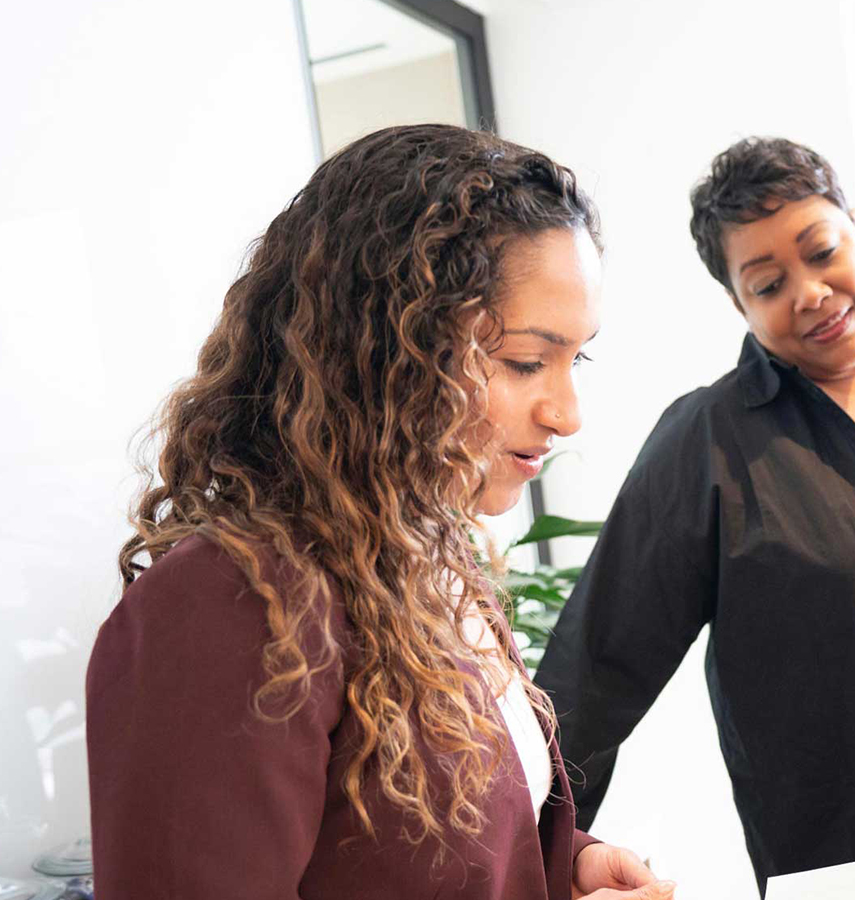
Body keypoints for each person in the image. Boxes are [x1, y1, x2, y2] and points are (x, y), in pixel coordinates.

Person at [86, 125, 672, 900]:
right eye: (526, 362)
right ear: (389, 349)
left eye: (576, 359)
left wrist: (570, 866)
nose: (567, 414)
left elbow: (417, 853)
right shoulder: (227, 604)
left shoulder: (424, 556)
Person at [534, 137, 855, 892]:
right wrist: (539, 857)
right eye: (769, 282)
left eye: (821, 252)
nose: (808, 292)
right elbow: (596, 674)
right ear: (738, 304)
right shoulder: (705, 444)